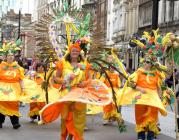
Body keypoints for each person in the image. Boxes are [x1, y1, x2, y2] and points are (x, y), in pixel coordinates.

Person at [119, 57, 167, 140]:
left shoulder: (156, 73)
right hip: (141, 96)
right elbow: (131, 83)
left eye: (148, 62)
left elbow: (158, 86)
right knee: (140, 114)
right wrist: (140, 89)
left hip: (152, 97)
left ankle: (150, 135)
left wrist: (159, 96)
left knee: (152, 115)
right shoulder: (139, 72)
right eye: (144, 61)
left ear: (152, 64)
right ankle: (140, 134)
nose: (145, 63)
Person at [0, 45, 25, 129]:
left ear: (14, 57)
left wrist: (23, 88)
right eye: (8, 56)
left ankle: (15, 123)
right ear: (5, 57)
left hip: (14, 88)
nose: (10, 57)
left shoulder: (18, 67)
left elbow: (21, 79)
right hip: (2, 87)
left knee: (14, 104)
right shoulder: (1, 66)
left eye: (11, 56)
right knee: (1, 103)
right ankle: (0, 122)